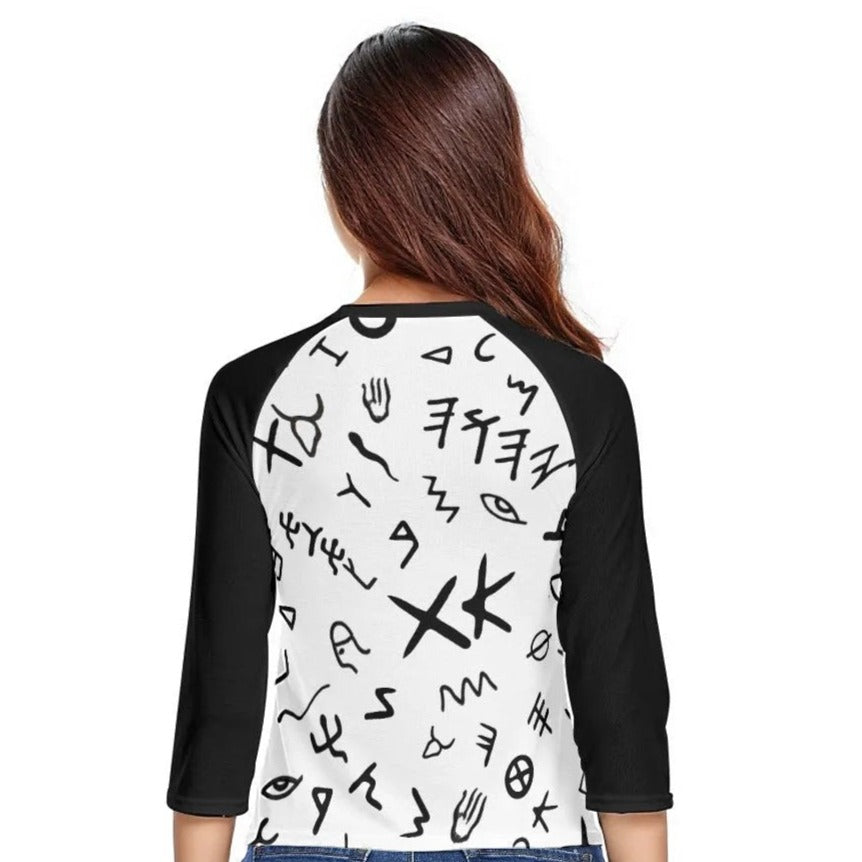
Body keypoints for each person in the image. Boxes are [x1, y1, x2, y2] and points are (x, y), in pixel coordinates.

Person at [166, 22, 673, 862]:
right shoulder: (577, 398)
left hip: (312, 843)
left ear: (343, 187)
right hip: (526, 840)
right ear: (493, 175)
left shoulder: (256, 396)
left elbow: (220, 686)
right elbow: (619, 693)